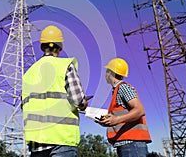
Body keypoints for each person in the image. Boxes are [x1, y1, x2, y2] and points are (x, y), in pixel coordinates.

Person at [22, 25, 88, 157]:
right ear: (60, 47)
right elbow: (78, 100)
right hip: (62, 140)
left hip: (37, 144)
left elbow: (24, 106)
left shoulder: (28, 74)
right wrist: (84, 103)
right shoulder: (65, 66)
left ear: (42, 47)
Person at [95, 58, 152, 157]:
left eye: (106, 71)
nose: (105, 74)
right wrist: (109, 121)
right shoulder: (117, 90)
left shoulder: (123, 87)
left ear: (110, 73)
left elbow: (140, 110)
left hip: (132, 144)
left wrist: (116, 119)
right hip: (127, 144)